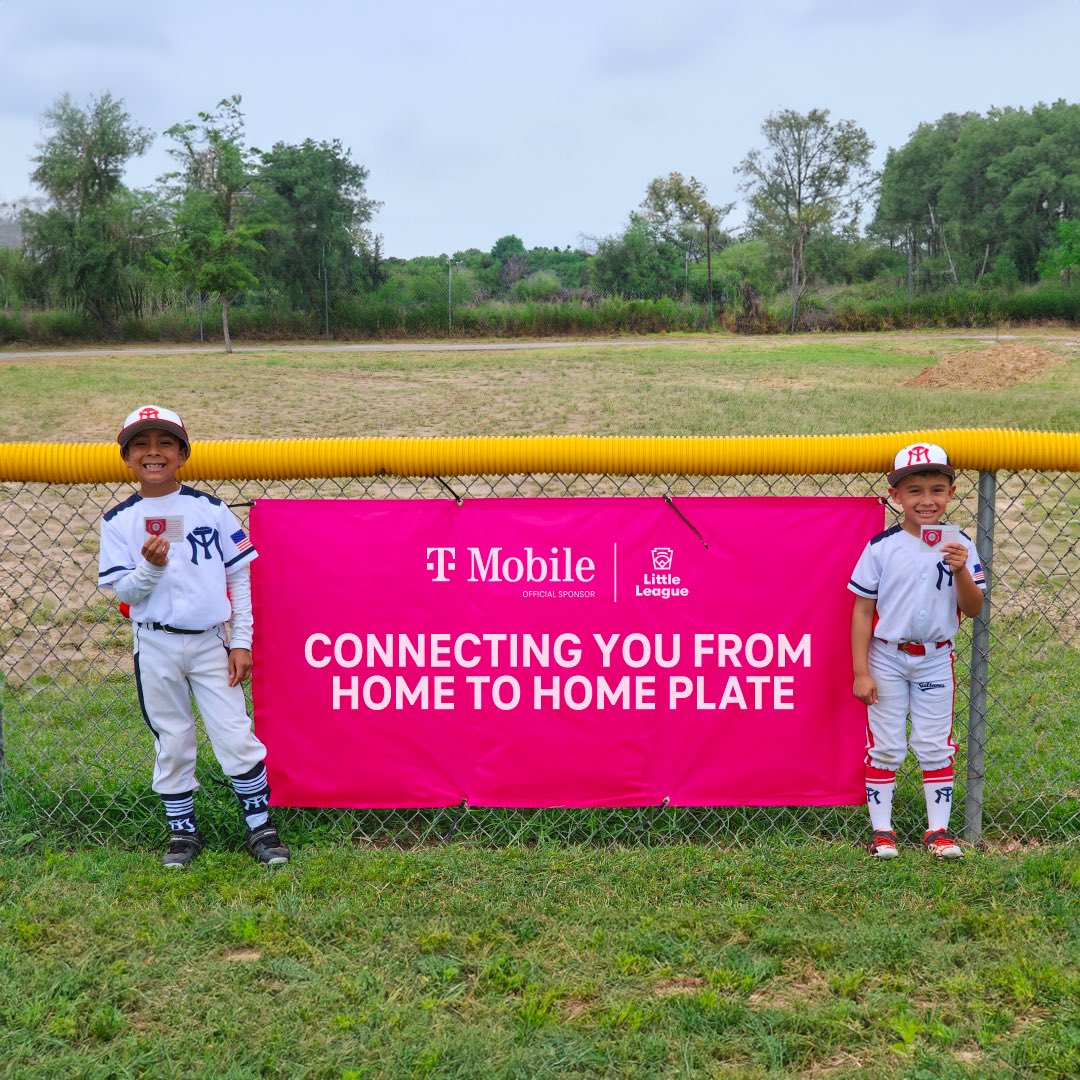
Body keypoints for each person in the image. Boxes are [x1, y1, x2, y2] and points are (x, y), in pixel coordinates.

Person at [97, 405, 289, 869]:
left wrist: (241, 641)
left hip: (209, 642)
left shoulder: (211, 509)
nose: (153, 452)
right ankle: (182, 832)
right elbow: (125, 592)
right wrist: (150, 568)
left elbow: (239, 577)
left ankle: (260, 827)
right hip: (155, 643)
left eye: (165, 443)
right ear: (126, 457)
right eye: (141, 444)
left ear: (182, 454)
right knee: (173, 737)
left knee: (234, 733)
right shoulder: (119, 520)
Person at [848, 443, 986, 859]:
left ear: (952, 492)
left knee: (934, 743)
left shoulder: (960, 545)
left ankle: (938, 831)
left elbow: (973, 607)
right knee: (886, 744)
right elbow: (862, 609)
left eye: (937, 490)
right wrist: (861, 671)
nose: (927, 500)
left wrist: (960, 570)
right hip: (886, 656)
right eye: (915, 491)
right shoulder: (881, 546)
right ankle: (882, 832)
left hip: (935, 657)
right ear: (895, 495)